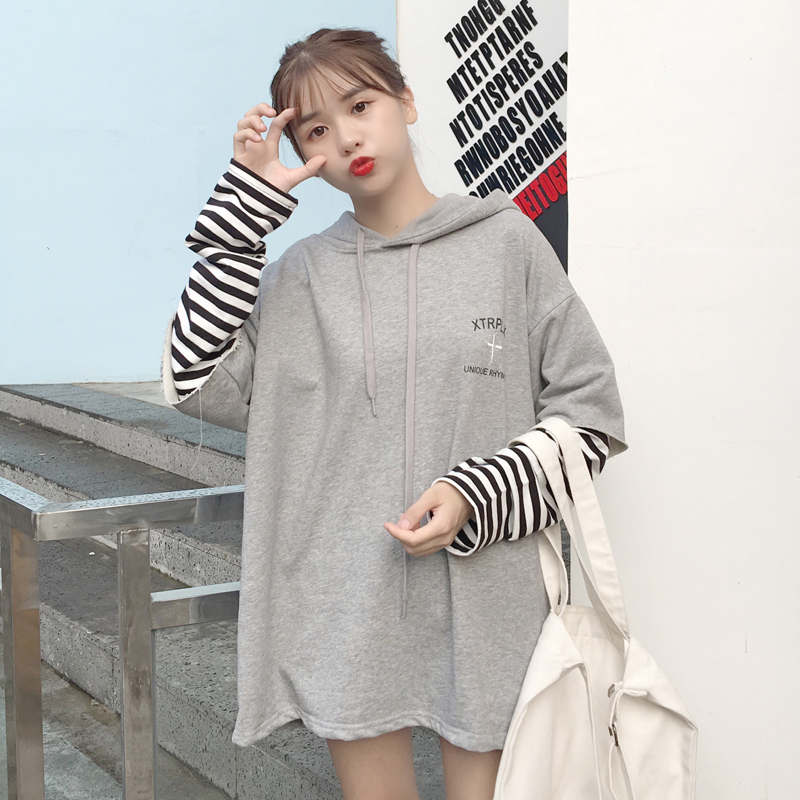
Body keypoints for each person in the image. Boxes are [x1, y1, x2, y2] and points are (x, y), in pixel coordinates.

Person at [160, 26, 627, 800]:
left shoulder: (506, 243)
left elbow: (593, 410)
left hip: (486, 596)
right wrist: (248, 207)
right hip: (346, 598)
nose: (346, 138)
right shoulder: (299, 279)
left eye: (360, 105)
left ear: (406, 102)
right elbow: (194, 376)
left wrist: (477, 494)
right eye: (315, 130)